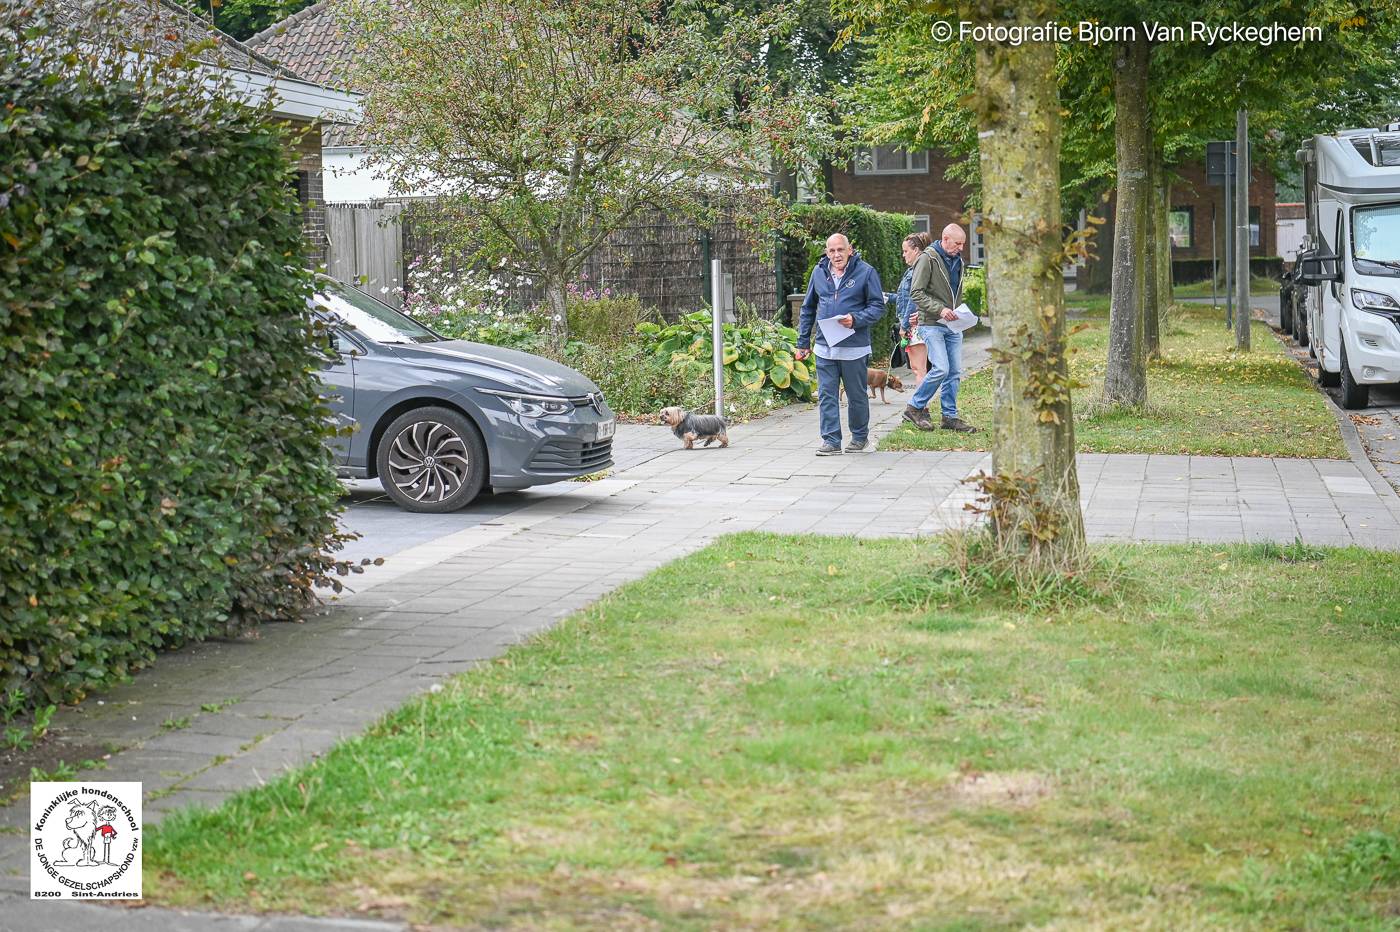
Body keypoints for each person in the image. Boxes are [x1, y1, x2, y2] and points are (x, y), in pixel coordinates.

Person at [795, 233, 887, 454]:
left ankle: (859, 437)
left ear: (850, 250)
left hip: (854, 348)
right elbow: (808, 308)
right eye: (832, 251)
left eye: (840, 250)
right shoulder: (818, 272)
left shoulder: (866, 272)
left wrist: (856, 319)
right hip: (824, 347)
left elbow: (877, 307)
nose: (836, 255)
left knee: (856, 395)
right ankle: (831, 440)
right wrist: (802, 342)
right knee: (827, 394)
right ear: (827, 252)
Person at [903, 223, 978, 433]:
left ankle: (950, 417)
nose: (961, 248)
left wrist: (958, 312)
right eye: (957, 243)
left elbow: (954, 293)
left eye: (962, 243)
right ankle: (914, 407)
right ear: (945, 239)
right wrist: (940, 310)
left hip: (952, 325)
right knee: (941, 368)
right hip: (932, 324)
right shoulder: (927, 258)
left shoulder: (958, 261)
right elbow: (916, 293)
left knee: (954, 372)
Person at [894, 232, 933, 389]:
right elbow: (904, 297)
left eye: (905, 251)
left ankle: (920, 408)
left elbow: (913, 299)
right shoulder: (916, 270)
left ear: (916, 250)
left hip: (914, 325)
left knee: (919, 370)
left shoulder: (916, 270)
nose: (903, 255)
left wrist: (904, 326)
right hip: (916, 323)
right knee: (921, 369)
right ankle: (921, 407)